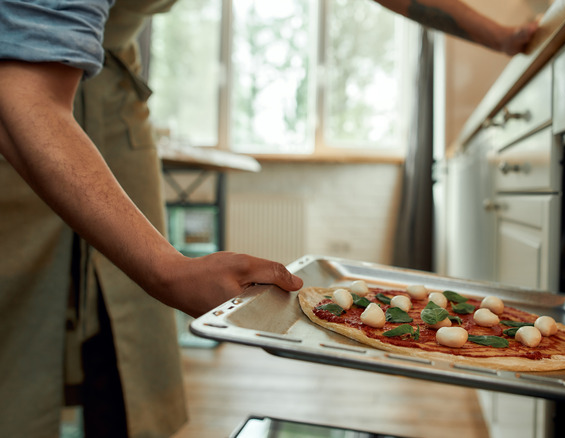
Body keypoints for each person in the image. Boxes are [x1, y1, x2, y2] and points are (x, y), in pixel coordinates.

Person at [0, 0, 537, 437]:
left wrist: (502, 37)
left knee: (128, 343)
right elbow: (25, 95)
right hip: (22, 101)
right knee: (19, 335)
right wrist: (170, 270)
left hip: (111, 100)